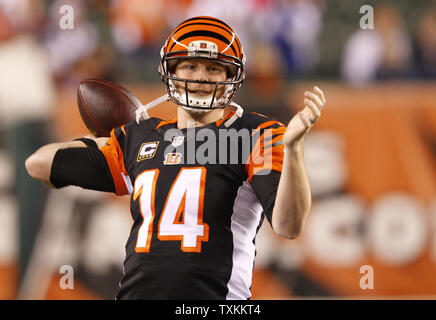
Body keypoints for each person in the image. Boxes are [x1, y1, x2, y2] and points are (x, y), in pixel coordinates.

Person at [25, 16, 326, 300]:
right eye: (190, 66)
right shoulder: (138, 137)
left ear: (231, 77)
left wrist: (294, 151)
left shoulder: (253, 134)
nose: (200, 77)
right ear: (170, 71)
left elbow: (289, 225)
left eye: (213, 68)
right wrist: (98, 142)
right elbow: (38, 164)